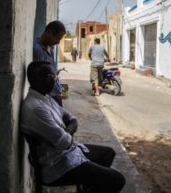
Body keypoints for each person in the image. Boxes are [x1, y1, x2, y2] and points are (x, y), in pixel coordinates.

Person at [21, 61, 126, 192]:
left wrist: (67, 130)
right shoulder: (36, 108)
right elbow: (65, 143)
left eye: (54, 76)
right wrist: (69, 130)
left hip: (69, 154)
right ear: (35, 78)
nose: (54, 80)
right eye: (50, 76)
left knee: (108, 153)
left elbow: (70, 117)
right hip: (58, 165)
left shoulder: (44, 98)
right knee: (117, 179)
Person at [33, 20, 65, 106]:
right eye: (57, 38)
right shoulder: (36, 49)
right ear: (49, 32)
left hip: (56, 93)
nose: (58, 42)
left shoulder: (51, 47)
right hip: (48, 98)